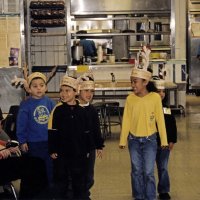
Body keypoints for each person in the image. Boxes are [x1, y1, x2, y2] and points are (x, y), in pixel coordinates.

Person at [119, 46, 168, 200]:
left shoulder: (154, 98)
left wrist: (164, 140)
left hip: (150, 141)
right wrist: (123, 139)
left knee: (148, 172)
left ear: (145, 82)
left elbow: (160, 119)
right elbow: (126, 119)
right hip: (133, 140)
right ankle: (138, 197)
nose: (133, 85)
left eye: (136, 82)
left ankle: (150, 197)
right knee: (136, 171)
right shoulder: (130, 98)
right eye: (131, 82)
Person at [48, 75, 92, 200]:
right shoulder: (58, 110)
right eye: (61, 90)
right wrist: (52, 149)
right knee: (61, 181)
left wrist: (88, 150)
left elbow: (87, 132)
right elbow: (52, 131)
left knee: (79, 181)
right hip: (61, 154)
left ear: (75, 92)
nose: (63, 94)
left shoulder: (82, 112)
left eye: (67, 90)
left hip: (79, 154)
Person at [16, 72, 55, 187]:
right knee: (36, 170)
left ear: (46, 87)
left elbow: (55, 123)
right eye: (35, 86)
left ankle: (50, 192)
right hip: (33, 144)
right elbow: (21, 124)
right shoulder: (25, 105)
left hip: (49, 143)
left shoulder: (50, 103)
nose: (39, 88)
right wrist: (22, 141)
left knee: (50, 169)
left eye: (41, 85)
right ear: (29, 89)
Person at [78, 72, 105, 197]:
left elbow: (96, 128)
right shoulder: (74, 109)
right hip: (76, 149)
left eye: (91, 91)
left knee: (89, 174)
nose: (89, 94)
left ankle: (85, 193)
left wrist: (99, 145)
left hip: (90, 148)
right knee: (77, 172)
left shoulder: (92, 110)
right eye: (85, 90)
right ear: (78, 91)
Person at [154, 80, 177, 200]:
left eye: (163, 91)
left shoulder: (166, 108)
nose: (161, 94)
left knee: (163, 167)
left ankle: (163, 191)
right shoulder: (149, 106)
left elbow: (172, 124)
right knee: (146, 170)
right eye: (158, 91)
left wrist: (172, 140)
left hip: (164, 143)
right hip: (151, 142)